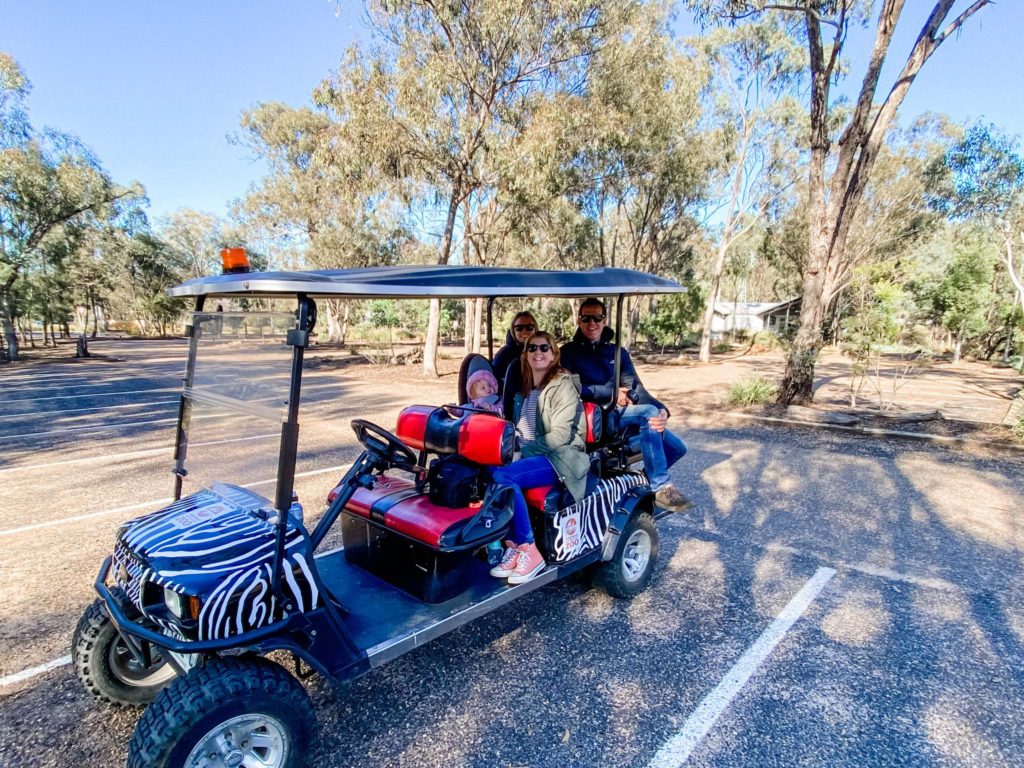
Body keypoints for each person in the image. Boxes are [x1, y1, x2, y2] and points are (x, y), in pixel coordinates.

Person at [560, 298, 691, 511]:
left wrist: (662, 411)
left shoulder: (617, 352)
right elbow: (571, 388)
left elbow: (635, 388)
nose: (591, 323)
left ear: (604, 320)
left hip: (619, 414)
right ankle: (661, 487)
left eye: (597, 318)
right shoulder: (567, 353)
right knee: (647, 413)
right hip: (592, 417)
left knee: (677, 447)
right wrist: (610, 394)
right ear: (579, 320)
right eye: (586, 318)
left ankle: (644, 482)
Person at [489, 331, 589, 584]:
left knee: (503, 475)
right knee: (485, 469)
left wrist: (522, 453)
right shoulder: (524, 389)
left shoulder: (562, 386)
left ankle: (529, 548)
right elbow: (517, 429)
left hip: (561, 458)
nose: (538, 353)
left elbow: (559, 437)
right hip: (530, 455)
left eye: (545, 348)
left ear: (554, 354)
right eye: (532, 348)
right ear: (525, 354)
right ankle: (512, 546)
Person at [491, 311, 537, 389]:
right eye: (519, 328)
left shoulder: (543, 351)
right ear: (513, 330)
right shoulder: (503, 355)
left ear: (535, 329)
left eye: (529, 327)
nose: (524, 331)